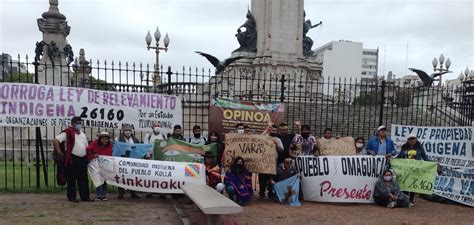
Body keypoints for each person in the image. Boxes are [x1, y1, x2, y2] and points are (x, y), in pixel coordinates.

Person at [52, 116, 92, 203]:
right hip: (72, 158)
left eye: (79, 123)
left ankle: (85, 196)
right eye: (76, 123)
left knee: (83, 178)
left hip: (83, 158)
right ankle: (71, 196)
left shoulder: (83, 134)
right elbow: (56, 140)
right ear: (72, 124)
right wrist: (59, 152)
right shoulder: (68, 132)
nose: (78, 125)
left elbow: (86, 146)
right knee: (72, 178)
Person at [396, 133, 430, 207]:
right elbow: (400, 156)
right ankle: (405, 199)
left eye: (413, 139)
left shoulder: (420, 147)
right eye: (410, 139)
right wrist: (393, 160)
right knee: (405, 184)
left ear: (416, 139)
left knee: (413, 184)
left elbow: (425, 158)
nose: (412, 140)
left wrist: (433, 163)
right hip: (405, 168)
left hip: (415, 169)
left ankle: (411, 200)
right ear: (408, 140)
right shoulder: (404, 147)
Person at [259, 124, 284, 200]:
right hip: (263, 161)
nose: (273, 131)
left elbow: (282, 150)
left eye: (275, 130)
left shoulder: (277, 139)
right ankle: (262, 193)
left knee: (271, 178)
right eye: (272, 130)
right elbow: (259, 137)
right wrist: (267, 129)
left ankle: (270, 193)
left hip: (273, 161)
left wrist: (276, 144)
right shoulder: (265, 136)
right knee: (262, 178)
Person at [86, 131, 113, 201]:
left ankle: (103, 195)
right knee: (97, 179)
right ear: (100, 139)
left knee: (104, 180)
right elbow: (88, 151)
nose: (105, 140)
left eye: (106, 139)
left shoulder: (110, 145)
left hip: (105, 165)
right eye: (103, 138)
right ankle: (98, 195)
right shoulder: (94, 143)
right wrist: (93, 155)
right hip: (96, 165)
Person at [116, 124, 140, 199]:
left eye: (129, 130)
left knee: (133, 176)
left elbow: (138, 149)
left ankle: (133, 192)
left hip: (133, 160)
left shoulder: (135, 139)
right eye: (126, 130)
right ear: (123, 131)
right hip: (122, 160)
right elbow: (116, 150)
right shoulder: (118, 139)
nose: (128, 132)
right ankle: (121, 192)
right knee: (121, 176)